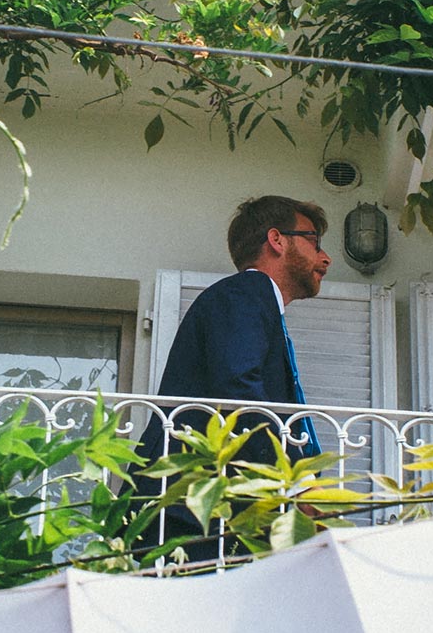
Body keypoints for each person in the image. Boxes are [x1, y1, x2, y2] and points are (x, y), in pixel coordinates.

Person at [140, 196, 331, 553]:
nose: (325, 258)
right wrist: (296, 483)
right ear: (277, 240)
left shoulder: (249, 300)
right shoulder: (246, 292)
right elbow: (238, 389)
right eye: (314, 242)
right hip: (194, 511)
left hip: (209, 509)